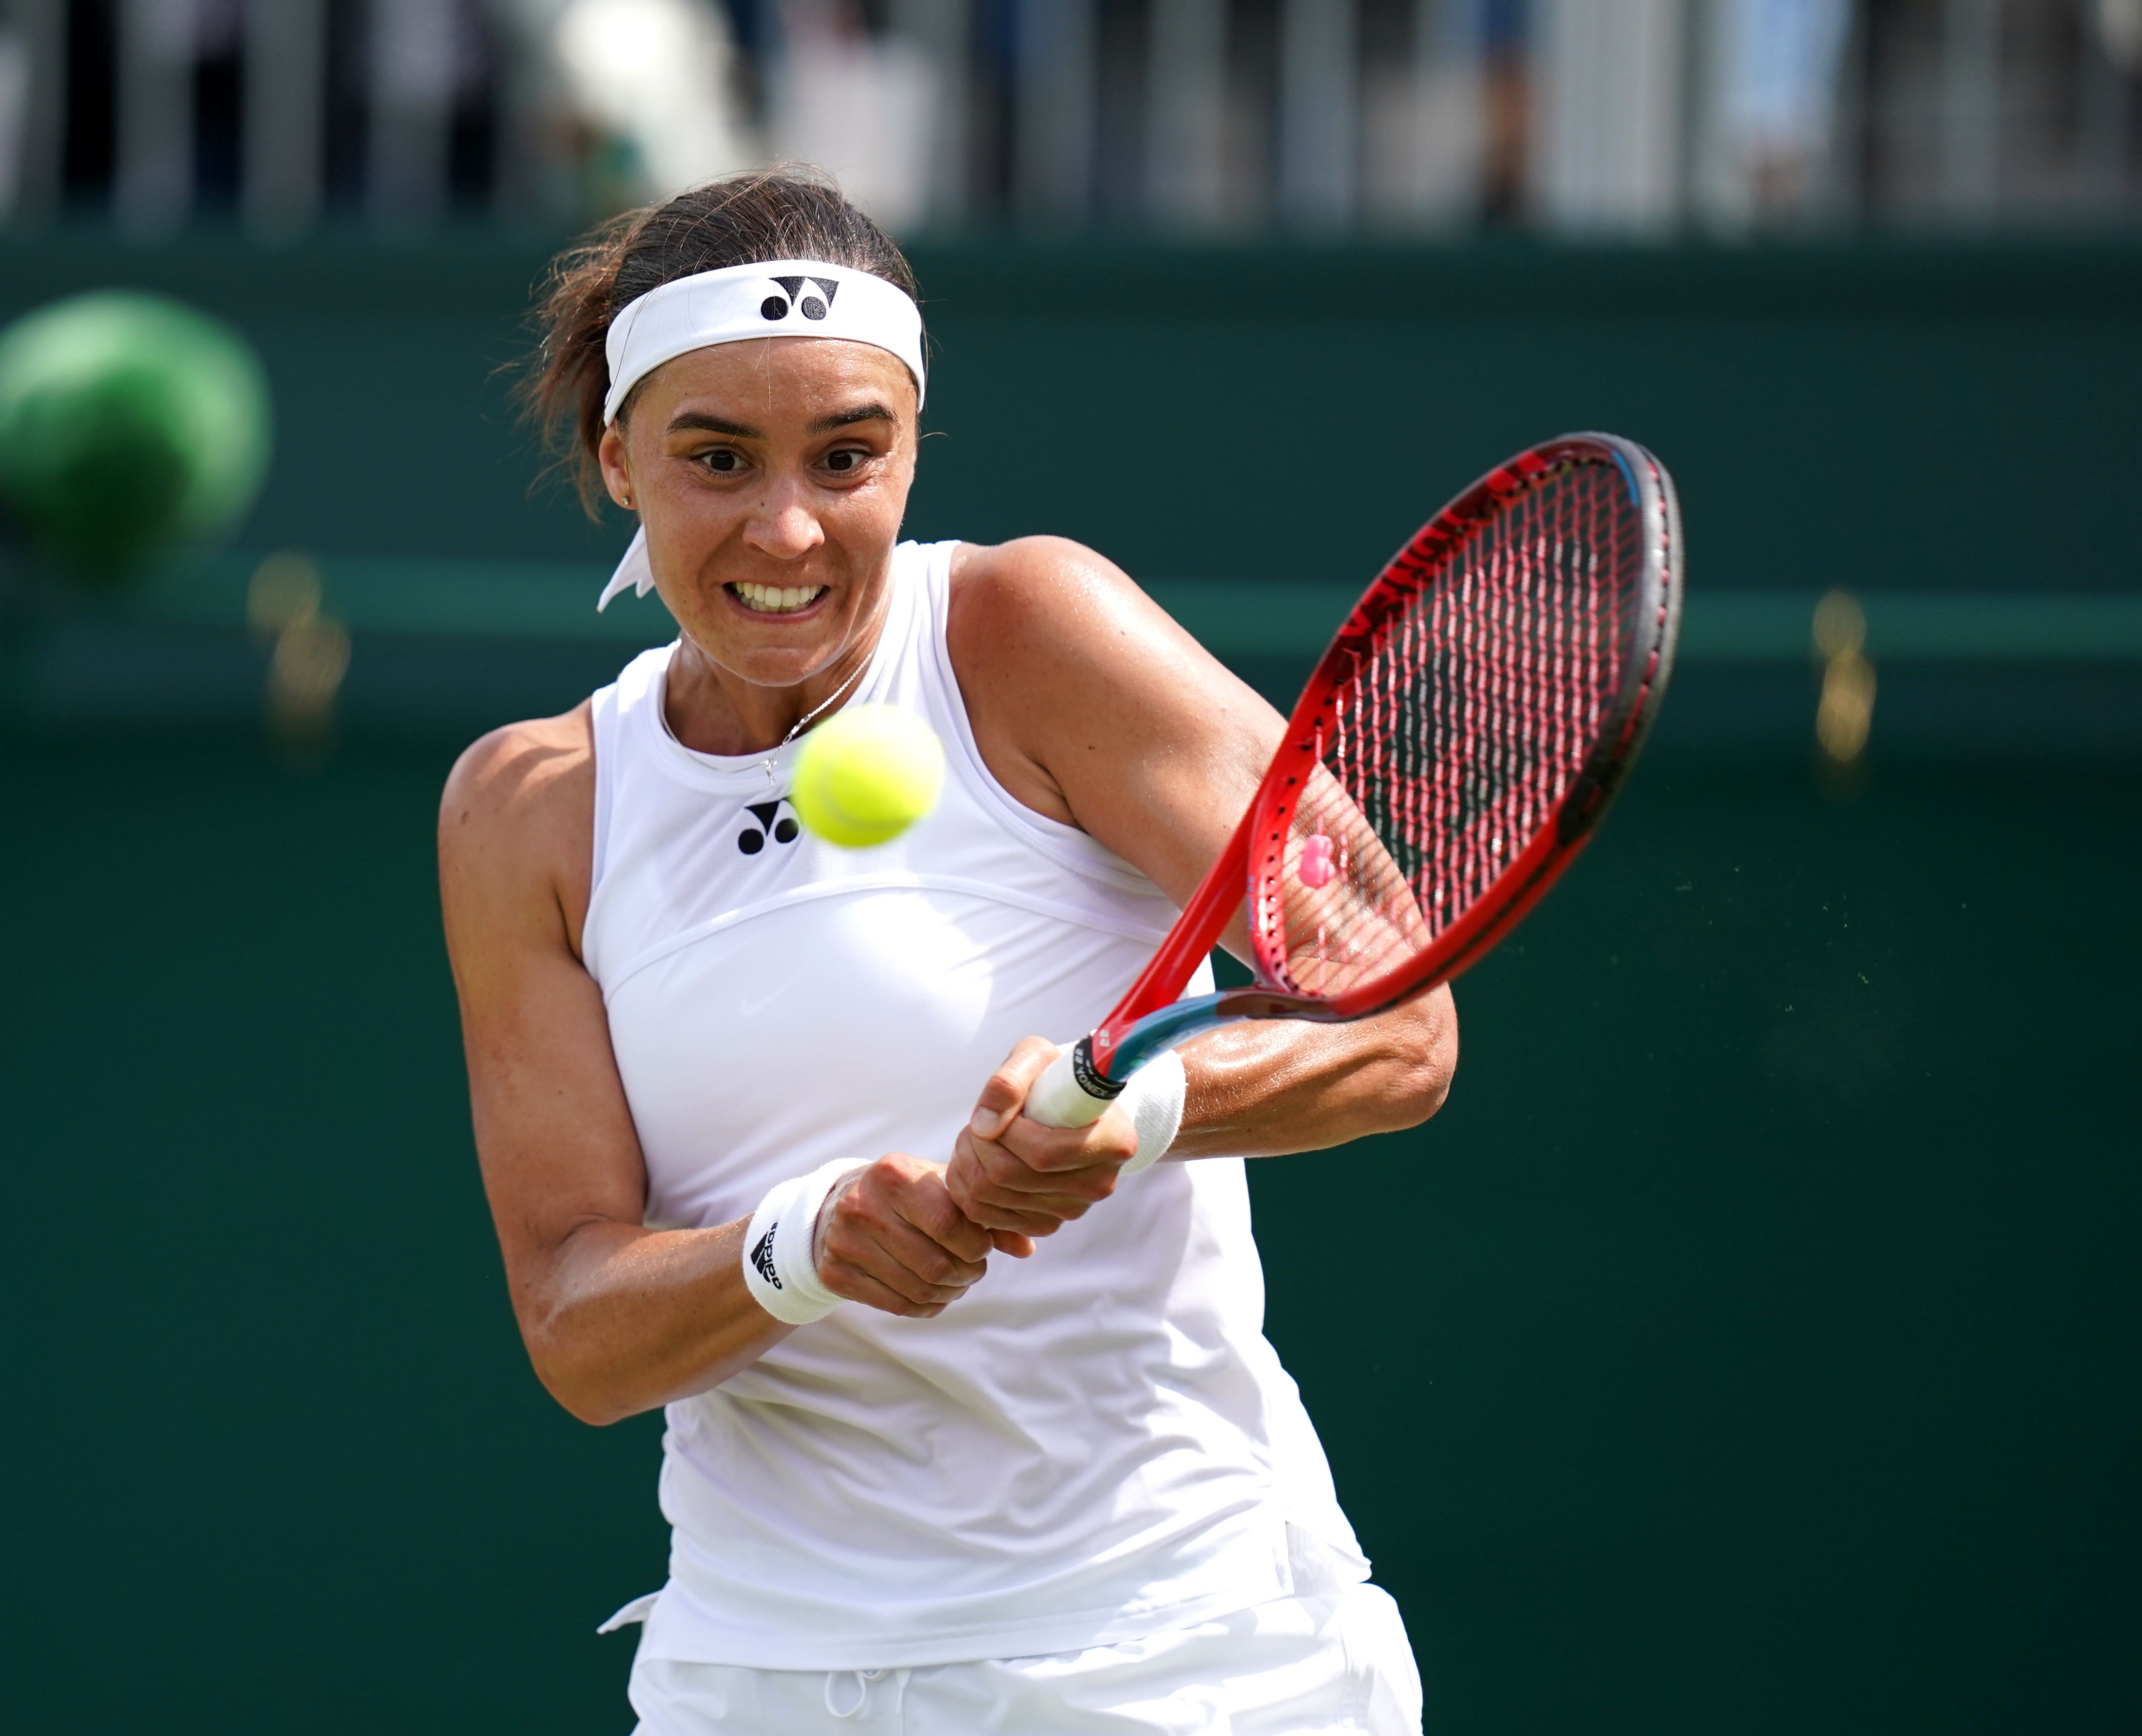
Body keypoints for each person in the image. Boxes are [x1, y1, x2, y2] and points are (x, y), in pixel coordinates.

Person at [439, 168, 1456, 1734]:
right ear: (618, 454)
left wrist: (1147, 1112)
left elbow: (1400, 1021)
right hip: (762, 1678)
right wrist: (806, 1245)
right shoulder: (530, 809)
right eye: (718, 458)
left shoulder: (1029, 633)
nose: (790, 528)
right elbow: (579, 1328)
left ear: (911, 447)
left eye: (849, 455)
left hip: (1180, 1654)